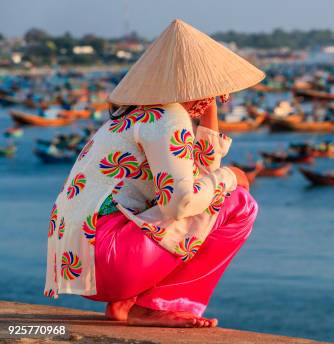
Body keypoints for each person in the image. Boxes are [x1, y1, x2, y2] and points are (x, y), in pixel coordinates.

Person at [43, 19, 265, 328]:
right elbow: (184, 204)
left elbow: (200, 174)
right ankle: (152, 305)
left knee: (215, 194)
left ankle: (126, 304)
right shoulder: (167, 117)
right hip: (109, 260)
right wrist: (231, 176)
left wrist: (210, 109)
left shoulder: (137, 115)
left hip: (82, 262)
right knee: (240, 203)